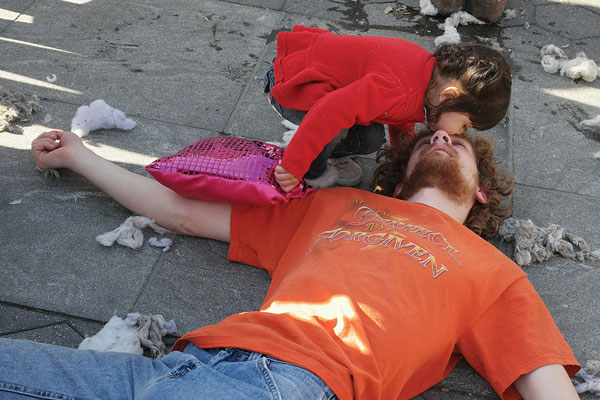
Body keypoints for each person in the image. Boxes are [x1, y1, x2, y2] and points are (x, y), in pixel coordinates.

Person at [0, 128, 579, 400]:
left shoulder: (494, 273)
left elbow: (549, 389)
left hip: (294, 385)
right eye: (431, 136)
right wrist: (80, 156)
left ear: (482, 194)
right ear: (398, 176)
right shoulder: (334, 206)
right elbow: (180, 213)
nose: (443, 138)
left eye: (463, 144)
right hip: (184, 367)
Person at [264, 25, 512, 192]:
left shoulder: (424, 78)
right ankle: (311, 173)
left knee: (371, 138)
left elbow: (400, 115)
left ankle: (330, 153)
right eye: (465, 124)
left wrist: (404, 159)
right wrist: (293, 165)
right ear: (449, 96)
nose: (458, 133)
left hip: (323, 84)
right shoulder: (396, 87)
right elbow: (330, 110)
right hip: (293, 83)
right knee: (334, 126)